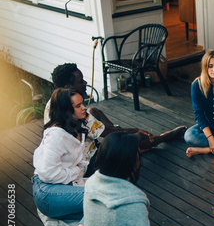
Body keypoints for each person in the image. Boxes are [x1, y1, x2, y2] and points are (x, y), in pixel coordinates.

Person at [46, 63, 186, 175]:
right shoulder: (71, 112)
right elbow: (108, 132)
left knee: (93, 111)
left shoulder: (53, 105)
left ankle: (128, 147)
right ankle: (164, 138)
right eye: (80, 81)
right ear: (69, 88)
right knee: (135, 137)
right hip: (90, 163)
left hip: (88, 149)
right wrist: (136, 130)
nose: (85, 82)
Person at [32, 87, 88, 226]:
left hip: (59, 188)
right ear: (66, 110)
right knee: (99, 199)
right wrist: (74, 173)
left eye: (83, 103)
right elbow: (47, 173)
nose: (84, 108)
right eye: (78, 105)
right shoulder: (56, 135)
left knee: (107, 205)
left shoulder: (76, 127)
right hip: (47, 191)